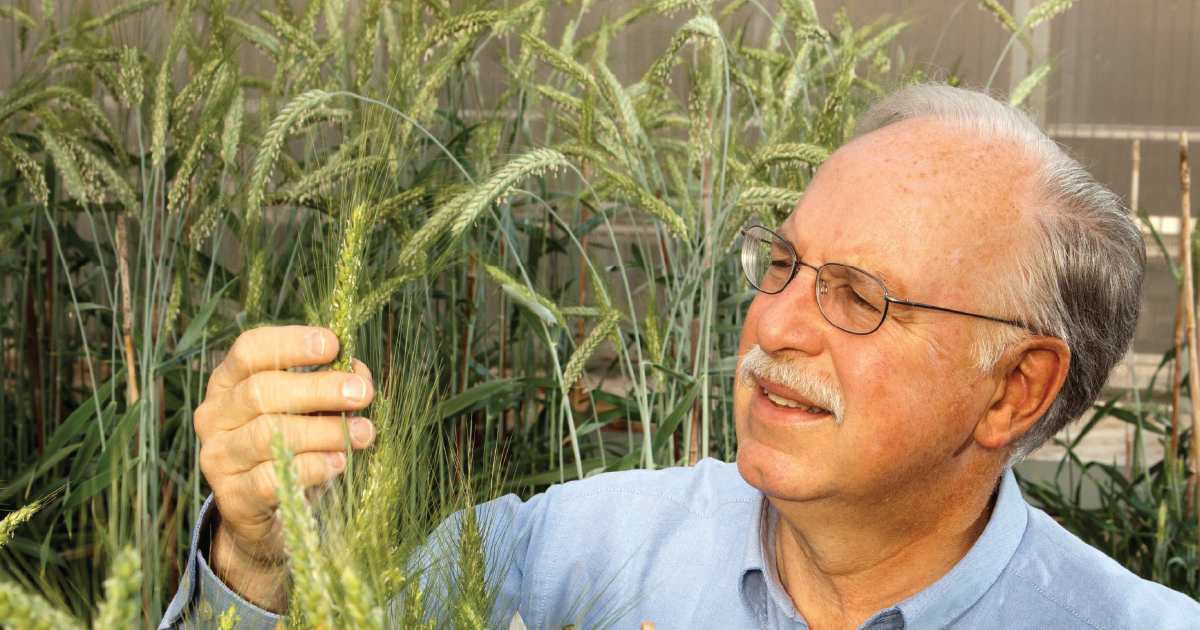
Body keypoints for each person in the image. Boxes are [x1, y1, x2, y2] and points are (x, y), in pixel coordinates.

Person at [159, 84, 1200, 630]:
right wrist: (256, 558)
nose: (776, 328)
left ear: (1015, 389)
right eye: (784, 264)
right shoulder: (562, 556)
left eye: (858, 297)